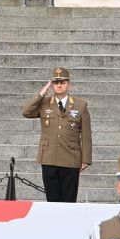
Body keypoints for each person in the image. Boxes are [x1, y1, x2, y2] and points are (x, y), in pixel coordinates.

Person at [21, 66, 92, 202]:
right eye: (56, 83)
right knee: (52, 200)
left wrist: (86, 158)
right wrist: (41, 94)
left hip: (71, 158)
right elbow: (26, 112)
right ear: (52, 85)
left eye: (62, 82)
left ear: (68, 85)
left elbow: (86, 133)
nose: (59, 85)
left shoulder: (80, 105)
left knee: (69, 200)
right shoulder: (44, 104)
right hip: (49, 157)